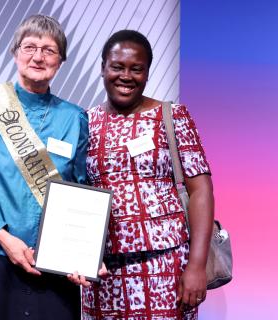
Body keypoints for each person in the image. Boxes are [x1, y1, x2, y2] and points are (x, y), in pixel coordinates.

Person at [0, 14, 89, 320]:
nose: (38, 56)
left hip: (53, 268)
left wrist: (82, 254)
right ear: (15, 53)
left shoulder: (75, 119)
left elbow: (81, 192)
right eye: (29, 47)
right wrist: (4, 237)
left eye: (49, 50)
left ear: (61, 60)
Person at [81, 30, 214, 319]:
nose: (125, 76)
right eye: (117, 66)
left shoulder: (173, 116)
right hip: (103, 275)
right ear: (103, 68)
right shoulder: (85, 122)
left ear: (147, 73)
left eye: (136, 69)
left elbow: (200, 190)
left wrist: (196, 265)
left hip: (166, 269)